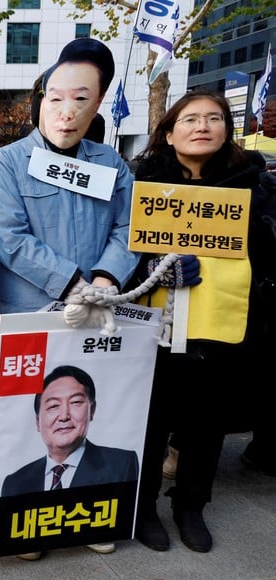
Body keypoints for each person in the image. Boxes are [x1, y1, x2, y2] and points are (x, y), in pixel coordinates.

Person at [0, 38, 139, 559]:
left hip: (98, 316)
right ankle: (27, 522)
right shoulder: (8, 162)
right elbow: (10, 239)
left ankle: (91, 515)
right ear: (40, 97)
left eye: (81, 100)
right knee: (32, 420)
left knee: (91, 416)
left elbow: (127, 229)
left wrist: (107, 281)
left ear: (97, 106)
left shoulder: (114, 166)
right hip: (31, 316)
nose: (66, 113)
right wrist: (77, 286)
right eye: (56, 98)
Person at [131, 90, 276, 554]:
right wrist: (154, 266)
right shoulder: (142, 186)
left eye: (214, 118)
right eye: (190, 118)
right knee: (151, 424)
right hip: (155, 328)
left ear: (226, 131)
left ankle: (191, 506)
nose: (202, 126)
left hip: (225, 328)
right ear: (169, 132)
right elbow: (124, 254)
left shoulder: (255, 186)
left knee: (207, 425)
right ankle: (144, 508)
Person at [1, 365, 138, 496]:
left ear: (92, 410)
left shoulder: (121, 466)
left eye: (75, 402)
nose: (64, 416)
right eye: (53, 406)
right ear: (38, 422)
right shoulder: (15, 483)